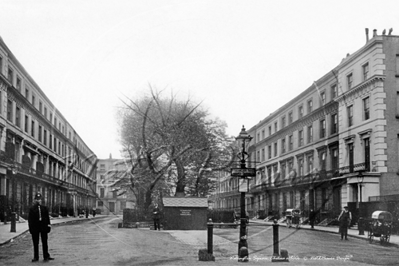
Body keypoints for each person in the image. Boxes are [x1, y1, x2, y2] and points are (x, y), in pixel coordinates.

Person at [28, 192, 54, 262]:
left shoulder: (44, 208)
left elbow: (47, 218)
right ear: (34, 200)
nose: (38, 200)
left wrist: (48, 226)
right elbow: (30, 220)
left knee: (45, 242)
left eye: (39, 199)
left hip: (43, 227)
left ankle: (46, 256)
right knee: (35, 243)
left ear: (41, 200)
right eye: (37, 199)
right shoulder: (32, 209)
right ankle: (36, 257)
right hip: (35, 227)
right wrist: (30, 228)